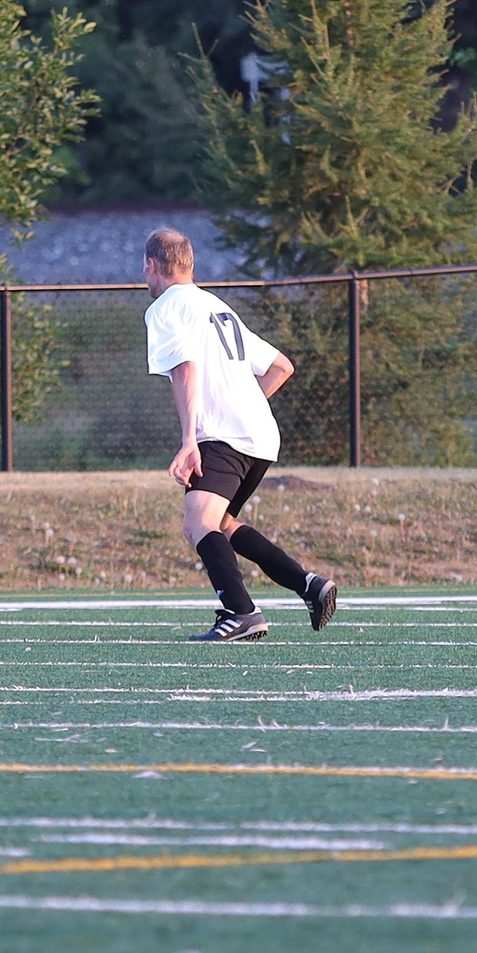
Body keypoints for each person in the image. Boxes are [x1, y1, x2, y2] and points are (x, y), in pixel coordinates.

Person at [142, 227, 338, 642]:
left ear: (151, 265)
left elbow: (185, 369)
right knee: (222, 523)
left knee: (198, 524)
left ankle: (241, 611)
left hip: (223, 436)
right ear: (189, 264)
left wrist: (190, 439)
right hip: (261, 436)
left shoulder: (166, 307)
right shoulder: (218, 307)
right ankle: (308, 585)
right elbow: (281, 366)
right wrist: (246, 405)